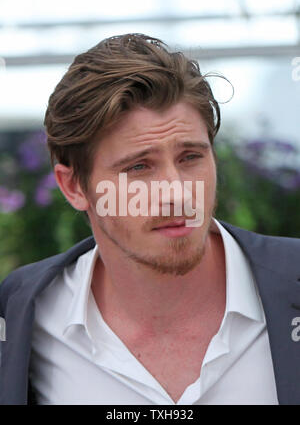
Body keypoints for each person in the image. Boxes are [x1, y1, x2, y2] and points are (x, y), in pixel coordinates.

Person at [0, 33, 300, 406]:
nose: (177, 193)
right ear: (74, 186)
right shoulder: (21, 315)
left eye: (190, 157)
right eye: (139, 166)